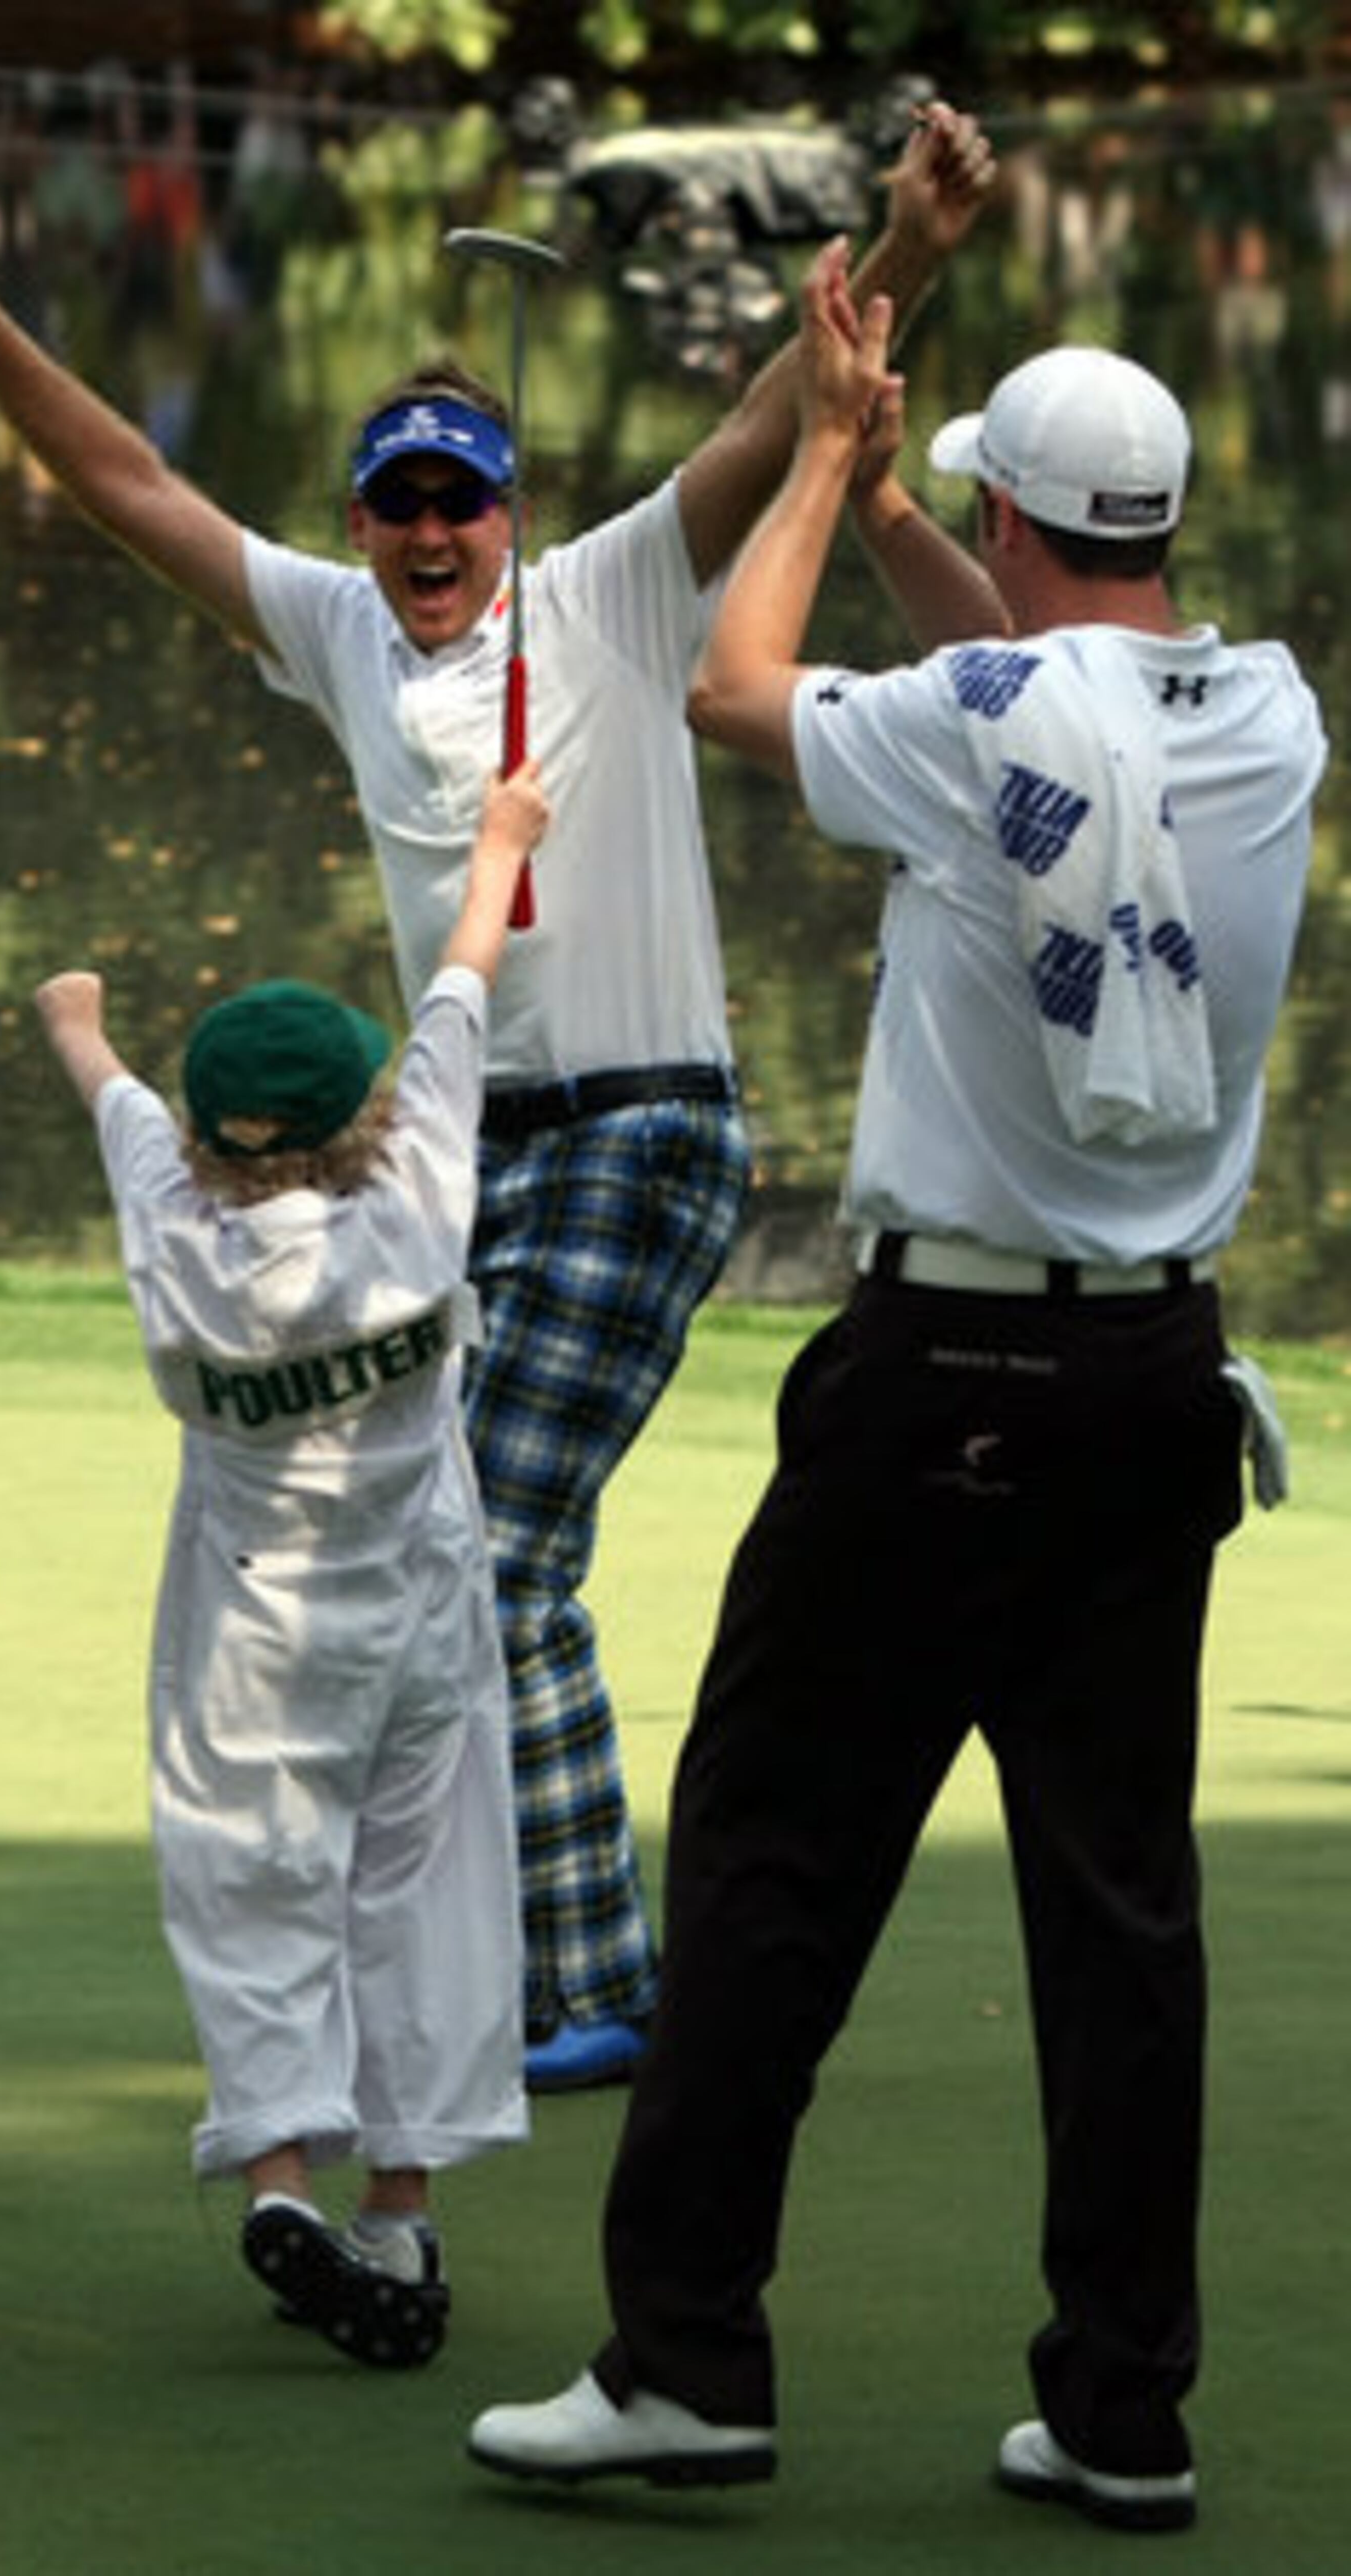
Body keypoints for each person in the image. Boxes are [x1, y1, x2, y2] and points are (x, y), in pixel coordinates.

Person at [0, 101, 997, 2094]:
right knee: (446, 1543)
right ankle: (523, 1956)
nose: (423, 538)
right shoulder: (326, 633)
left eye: (454, 507)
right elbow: (125, 479)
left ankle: (590, 1984)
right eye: (394, 506)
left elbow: (774, 414)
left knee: (496, 1544)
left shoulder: (614, 591)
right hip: (469, 1151)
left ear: (504, 510)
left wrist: (905, 244)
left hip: (647, 1133)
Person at [465, 248, 1326, 2529]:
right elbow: (1043, 677)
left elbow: (736, 692)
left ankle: (684, 2367)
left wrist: (831, 454)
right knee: (1121, 1917)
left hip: (941, 1369)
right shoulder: (1265, 716)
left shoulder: (973, 741)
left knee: (767, 1862)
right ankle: (1126, 2412)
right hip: (1155, 1372)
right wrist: (898, 519)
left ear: (1023, 527)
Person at [35, 764, 549, 2366]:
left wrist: (78, 1014)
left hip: (249, 1628)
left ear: (208, 1140)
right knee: (418, 1894)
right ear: (363, 1117)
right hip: (412, 1612)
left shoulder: (173, 1236)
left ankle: (277, 2171)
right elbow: (462, 997)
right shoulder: (417, 1205)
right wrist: (502, 850)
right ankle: (397, 2213)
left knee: (254, 1892)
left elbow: (111, 1097)